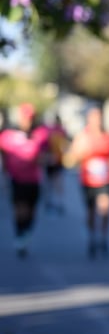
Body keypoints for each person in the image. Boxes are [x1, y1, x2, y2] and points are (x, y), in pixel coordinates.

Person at [64, 106, 109, 258]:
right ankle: (92, 237)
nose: (97, 121)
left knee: (105, 208)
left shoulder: (107, 136)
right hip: (88, 180)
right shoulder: (82, 137)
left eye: (99, 118)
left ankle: (104, 238)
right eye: (94, 118)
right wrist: (80, 153)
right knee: (91, 212)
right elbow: (72, 158)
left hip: (106, 179)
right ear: (89, 120)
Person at [0, 103, 50, 257]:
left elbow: (45, 156)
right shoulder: (8, 136)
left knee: (31, 211)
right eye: (25, 118)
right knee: (19, 209)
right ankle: (19, 236)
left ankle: (26, 232)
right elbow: (3, 154)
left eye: (30, 118)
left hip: (33, 180)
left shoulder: (40, 135)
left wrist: (41, 159)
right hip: (17, 179)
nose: (27, 121)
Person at [43, 113, 69, 214]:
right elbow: (46, 145)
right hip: (51, 159)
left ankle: (57, 202)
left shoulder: (61, 131)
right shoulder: (52, 131)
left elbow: (64, 146)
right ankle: (51, 201)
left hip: (58, 160)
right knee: (51, 182)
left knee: (57, 182)